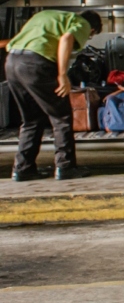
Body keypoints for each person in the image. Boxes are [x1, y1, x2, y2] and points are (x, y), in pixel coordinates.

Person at [6, 10, 102, 181]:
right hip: (36, 65)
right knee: (61, 116)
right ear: (93, 30)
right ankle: (65, 167)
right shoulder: (82, 22)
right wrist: (62, 75)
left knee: (31, 119)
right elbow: (66, 38)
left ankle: (22, 169)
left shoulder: (45, 16)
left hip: (12, 63)